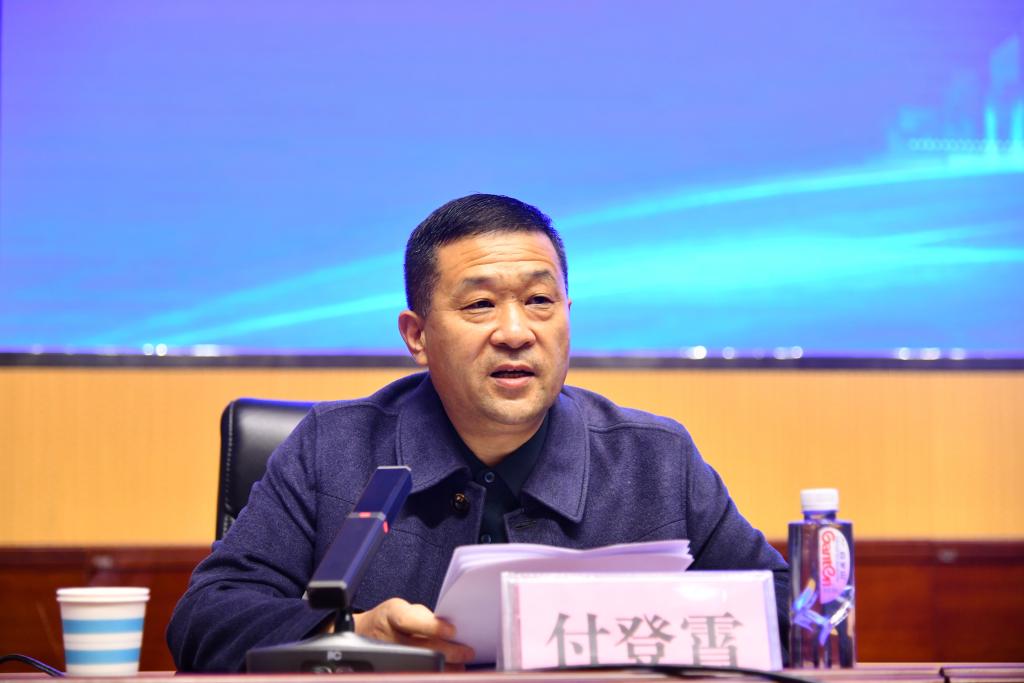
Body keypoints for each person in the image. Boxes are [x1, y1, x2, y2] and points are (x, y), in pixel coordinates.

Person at [167, 193, 789, 671]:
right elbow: (205, 621)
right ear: (417, 336)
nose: (516, 332)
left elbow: (783, 612)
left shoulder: (656, 460)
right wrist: (347, 635)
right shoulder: (330, 449)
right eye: (480, 305)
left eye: (540, 301)